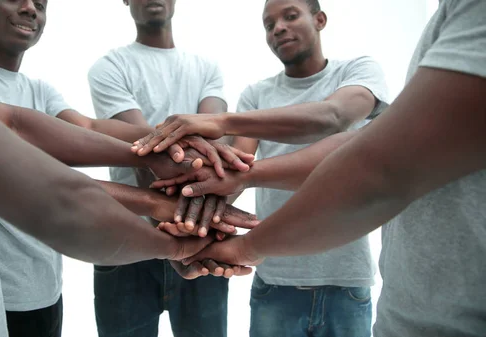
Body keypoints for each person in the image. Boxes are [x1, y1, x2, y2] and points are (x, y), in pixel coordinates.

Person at [141, 0, 486, 336]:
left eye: (290, 16)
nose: (279, 28)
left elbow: (334, 120)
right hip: (275, 279)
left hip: (346, 281)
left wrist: (223, 122)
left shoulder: (357, 71)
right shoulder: (256, 95)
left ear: (320, 19)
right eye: (269, 24)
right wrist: (195, 213)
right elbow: (233, 176)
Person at [0, 0, 231, 335]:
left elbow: (83, 128)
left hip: (43, 288)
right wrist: (166, 217)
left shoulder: (39, 90)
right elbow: (52, 188)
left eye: (40, 2)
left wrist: (165, 147)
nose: (29, 8)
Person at [86, 0, 245, 336]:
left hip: (202, 241)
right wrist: (188, 230)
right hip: (128, 245)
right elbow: (146, 154)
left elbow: (214, 143)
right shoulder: (109, 67)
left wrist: (191, 238)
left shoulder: (206, 68)